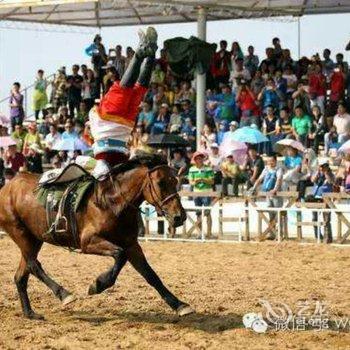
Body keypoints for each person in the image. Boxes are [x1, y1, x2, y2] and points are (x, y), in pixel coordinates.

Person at [89, 27, 158, 176]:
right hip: (108, 122)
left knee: (138, 90)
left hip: (125, 126)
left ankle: (150, 55)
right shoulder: (115, 167)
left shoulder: (122, 169)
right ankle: (140, 53)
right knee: (123, 89)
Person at [251, 154, 283, 237]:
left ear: (275, 161)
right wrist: (254, 187)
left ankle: (279, 233)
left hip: (276, 195)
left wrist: (275, 189)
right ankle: (272, 233)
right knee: (270, 213)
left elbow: (279, 179)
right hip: (268, 194)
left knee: (277, 213)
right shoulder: (266, 168)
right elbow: (260, 179)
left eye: (271, 161)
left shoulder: (279, 169)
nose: (270, 163)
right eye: (268, 161)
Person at [188, 151, 214, 238]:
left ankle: (209, 233)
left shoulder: (208, 168)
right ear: (195, 160)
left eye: (201, 158)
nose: (199, 160)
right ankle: (200, 233)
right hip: (196, 192)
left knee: (207, 213)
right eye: (198, 158)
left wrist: (203, 180)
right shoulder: (192, 169)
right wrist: (197, 181)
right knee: (198, 213)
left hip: (207, 192)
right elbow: (191, 182)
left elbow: (212, 181)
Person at [309, 162, 335, 243]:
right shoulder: (318, 174)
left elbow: (331, 181)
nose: (322, 168)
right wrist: (317, 171)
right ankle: (318, 236)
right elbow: (312, 180)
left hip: (326, 198)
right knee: (314, 218)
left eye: (323, 166)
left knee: (326, 219)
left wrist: (325, 172)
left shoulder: (331, 174)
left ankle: (328, 238)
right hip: (316, 197)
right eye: (321, 166)